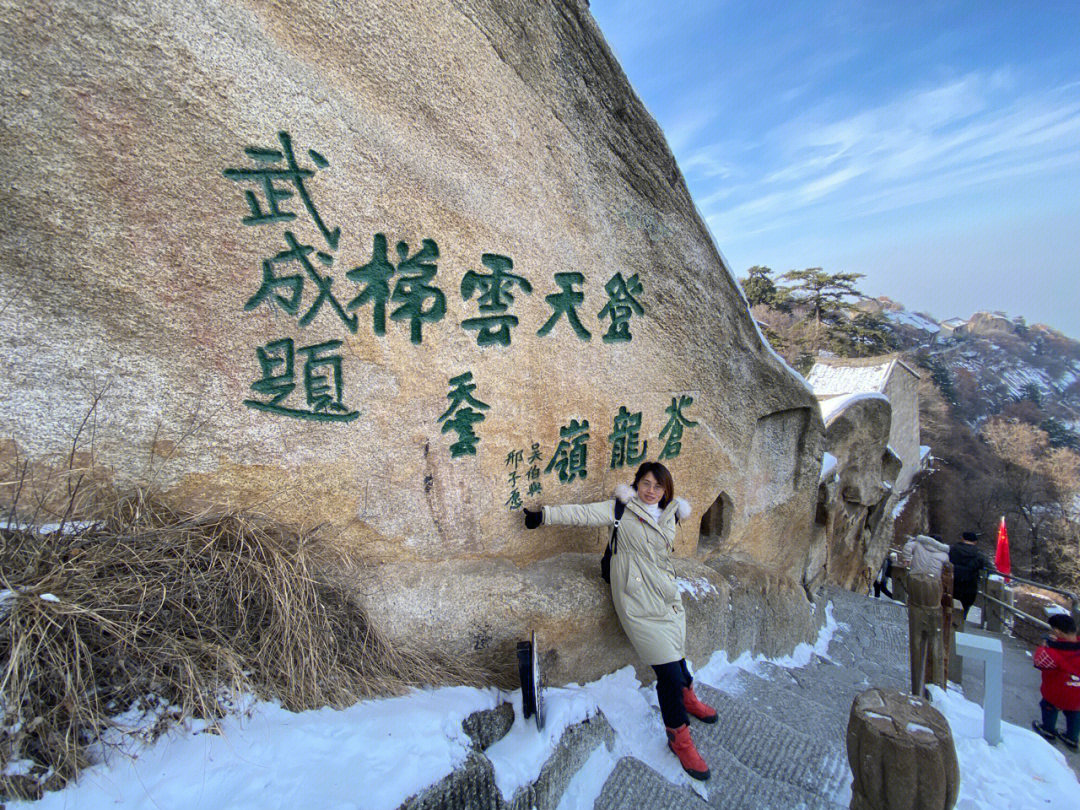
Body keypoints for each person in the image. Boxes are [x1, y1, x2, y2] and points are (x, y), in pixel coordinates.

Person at [523, 461, 715, 781]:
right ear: (636, 483)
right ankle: (680, 739)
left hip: (665, 595)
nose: (651, 491)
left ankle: (688, 696)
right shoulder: (621, 509)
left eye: (658, 486)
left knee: (675, 651)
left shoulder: (670, 513)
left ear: (667, 491)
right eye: (646, 483)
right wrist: (543, 515)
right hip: (636, 599)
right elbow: (582, 514)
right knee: (666, 669)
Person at [902, 534, 950, 696]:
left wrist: (907, 559)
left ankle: (916, 680)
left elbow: (907, 547)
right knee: (933, 628)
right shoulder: (944, 555)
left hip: (915, 581)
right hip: (932, 587)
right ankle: (935, 684)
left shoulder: (918, 544)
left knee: (915, 610)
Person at [1032, 613, 1080, 751]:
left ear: (1057, 631)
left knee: (1048, 706)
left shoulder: (1052, 652)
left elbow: (1039, 662)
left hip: (1056, 692)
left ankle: (1048, 730)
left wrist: (1044, 646)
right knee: (1075, 712)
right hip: (1077, 695)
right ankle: (1072, 738)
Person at [949, 531, 990, 623]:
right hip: (970, 587)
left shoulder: (952, 550)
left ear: (962, 539)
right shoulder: (979, 554)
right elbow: (990, 569)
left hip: (952, 583)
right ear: (975, 542)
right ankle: (960, 626)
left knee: (948, 607)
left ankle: (947, 627)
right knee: (964, 609)